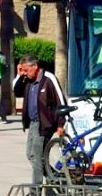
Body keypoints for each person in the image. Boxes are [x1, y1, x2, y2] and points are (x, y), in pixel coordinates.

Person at [18, 57, 65, 185]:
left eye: (27, 70)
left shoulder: (49, 79)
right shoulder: (28, 80)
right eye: (24, 71)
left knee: (37, 157)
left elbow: (60, 100)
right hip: (33, 123)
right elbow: (16, 91)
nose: (25, 73)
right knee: (31, 155)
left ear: (35, 67)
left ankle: (36, 190)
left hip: (44, 123)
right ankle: (55, 179)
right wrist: (19, 75)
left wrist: (60, 124)